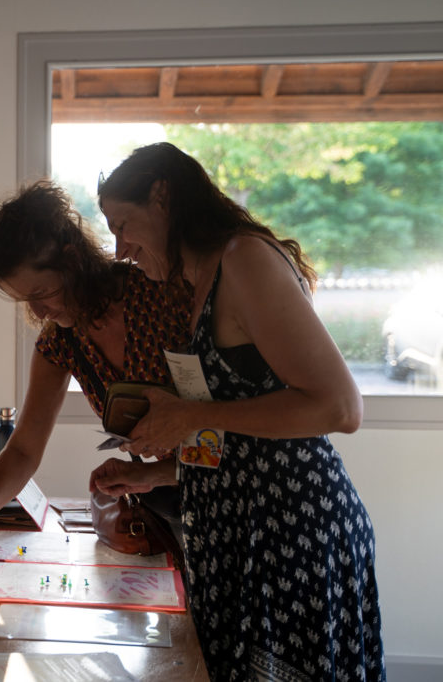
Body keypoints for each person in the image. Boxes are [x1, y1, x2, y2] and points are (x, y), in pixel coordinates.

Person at [94, 142, 384, 679]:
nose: (119, 249)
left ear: (162, 197)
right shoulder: (196, 280)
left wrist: (190, 417)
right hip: (240, 537)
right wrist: (160, 469)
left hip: (291, 539)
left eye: (124, 224)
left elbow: (340, 407)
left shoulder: (243, 260)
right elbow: (246, 436)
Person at [0, 180, 191, 554]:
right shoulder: (60, 343)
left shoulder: (161, 295)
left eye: (41, 293)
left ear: (72, 261)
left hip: (231, 497)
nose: (38, 313)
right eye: (27, 300)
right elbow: (23, 448)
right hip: (173, 505)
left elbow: (224, 427)